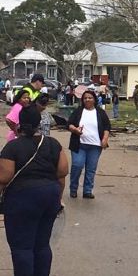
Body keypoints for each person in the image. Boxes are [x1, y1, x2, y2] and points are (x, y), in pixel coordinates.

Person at [0, 105, 69, 276]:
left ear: (19, 123)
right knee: (42, 244)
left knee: (22, 246)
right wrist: (58, 198)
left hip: (22, 198)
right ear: (39, 122)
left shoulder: (12, 147)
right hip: (50, 196)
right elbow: (62, 172)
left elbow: (4, 178)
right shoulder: (53, 144)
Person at [67, 90, 111, 199]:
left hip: (95, 146)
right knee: (77, 165)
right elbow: (69, 124)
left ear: (94, 99)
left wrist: (105, 139)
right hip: (79, 144)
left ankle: (87, 191)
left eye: (90, 97)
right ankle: (73, 189)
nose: (87, 100)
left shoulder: (100, 112)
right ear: (82, 100)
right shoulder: (78, 111)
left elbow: (107, 127)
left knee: (91, 169)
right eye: (85, 98)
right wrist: (75, 129)